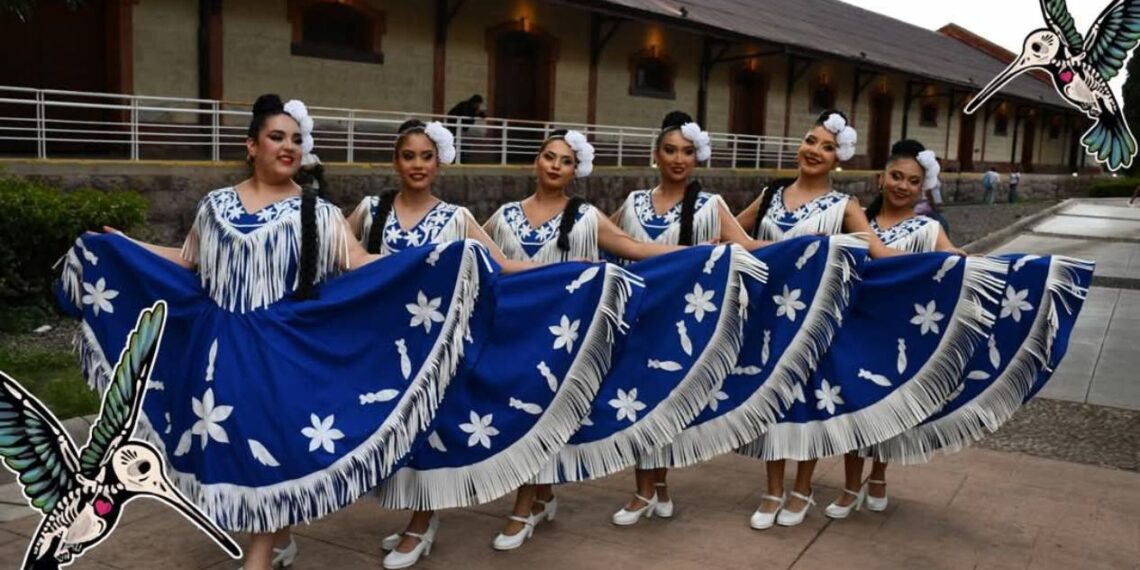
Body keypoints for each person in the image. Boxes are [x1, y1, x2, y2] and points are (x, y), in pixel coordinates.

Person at [57, 95, 491, 570]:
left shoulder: (317, 212)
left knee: (266, 443)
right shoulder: (215, 206)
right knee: (234, 444)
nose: (288, 147)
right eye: (276, 137)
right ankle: (276, 539)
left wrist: (435, 261)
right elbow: (187, 261)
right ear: (251, 145)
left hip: (280, 347)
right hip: (217, 347)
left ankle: (259, 556)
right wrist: (123, 245)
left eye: (296, 140)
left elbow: (360, 262)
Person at [735, 111, 1005, 530]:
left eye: (827, 146)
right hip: (772, 320)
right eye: (811, 141)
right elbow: (731, 235)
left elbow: (879, 255)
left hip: (819, 323)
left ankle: (803, 490)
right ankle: (772, 491)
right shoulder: (770, 194)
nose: (815, 151)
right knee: (772, 403)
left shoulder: (845, 207)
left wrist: (955, 259)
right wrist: (748, 243)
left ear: (837, 158)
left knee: (809, 404)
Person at [824, 140, 1094, 520]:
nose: (903, 186)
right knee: (853, 406)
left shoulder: (929, 227)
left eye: (913, 181)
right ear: (881, 179)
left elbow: (958, 262)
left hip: (905, 331)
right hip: (858, 326)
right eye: (897, 176)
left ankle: (879, 476)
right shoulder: (855, 223)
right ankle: (851, 486)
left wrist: (1019, 272)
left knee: (890, 408)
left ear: (922, 188)